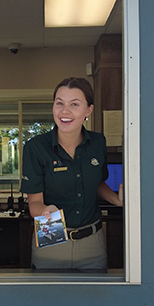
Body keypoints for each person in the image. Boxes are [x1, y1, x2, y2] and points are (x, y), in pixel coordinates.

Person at [20, 77, 123, 270]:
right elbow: (34, 203)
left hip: (92, 242)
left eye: (74, 104)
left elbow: (97, 183)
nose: (65, 111)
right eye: (59, 103)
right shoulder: (36, 147)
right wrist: (45, 210)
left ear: (88, 110)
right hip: (51, 236)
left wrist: (117, 200)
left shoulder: (98, 142)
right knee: (51, 299)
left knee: (94, 299)